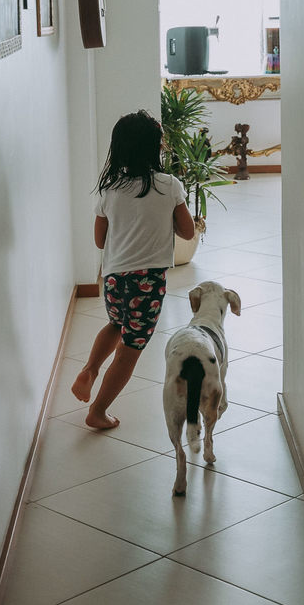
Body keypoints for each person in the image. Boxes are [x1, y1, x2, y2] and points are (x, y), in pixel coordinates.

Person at [71, 110, 197, 429]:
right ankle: (98, 411)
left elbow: (100, 241)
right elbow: (187, 232)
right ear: (155, 147)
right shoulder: (169, 186)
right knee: (130, 349)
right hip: (149, 281)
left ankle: (90, 369)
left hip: (114, 277)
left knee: (116, 323)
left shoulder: (110, 189)